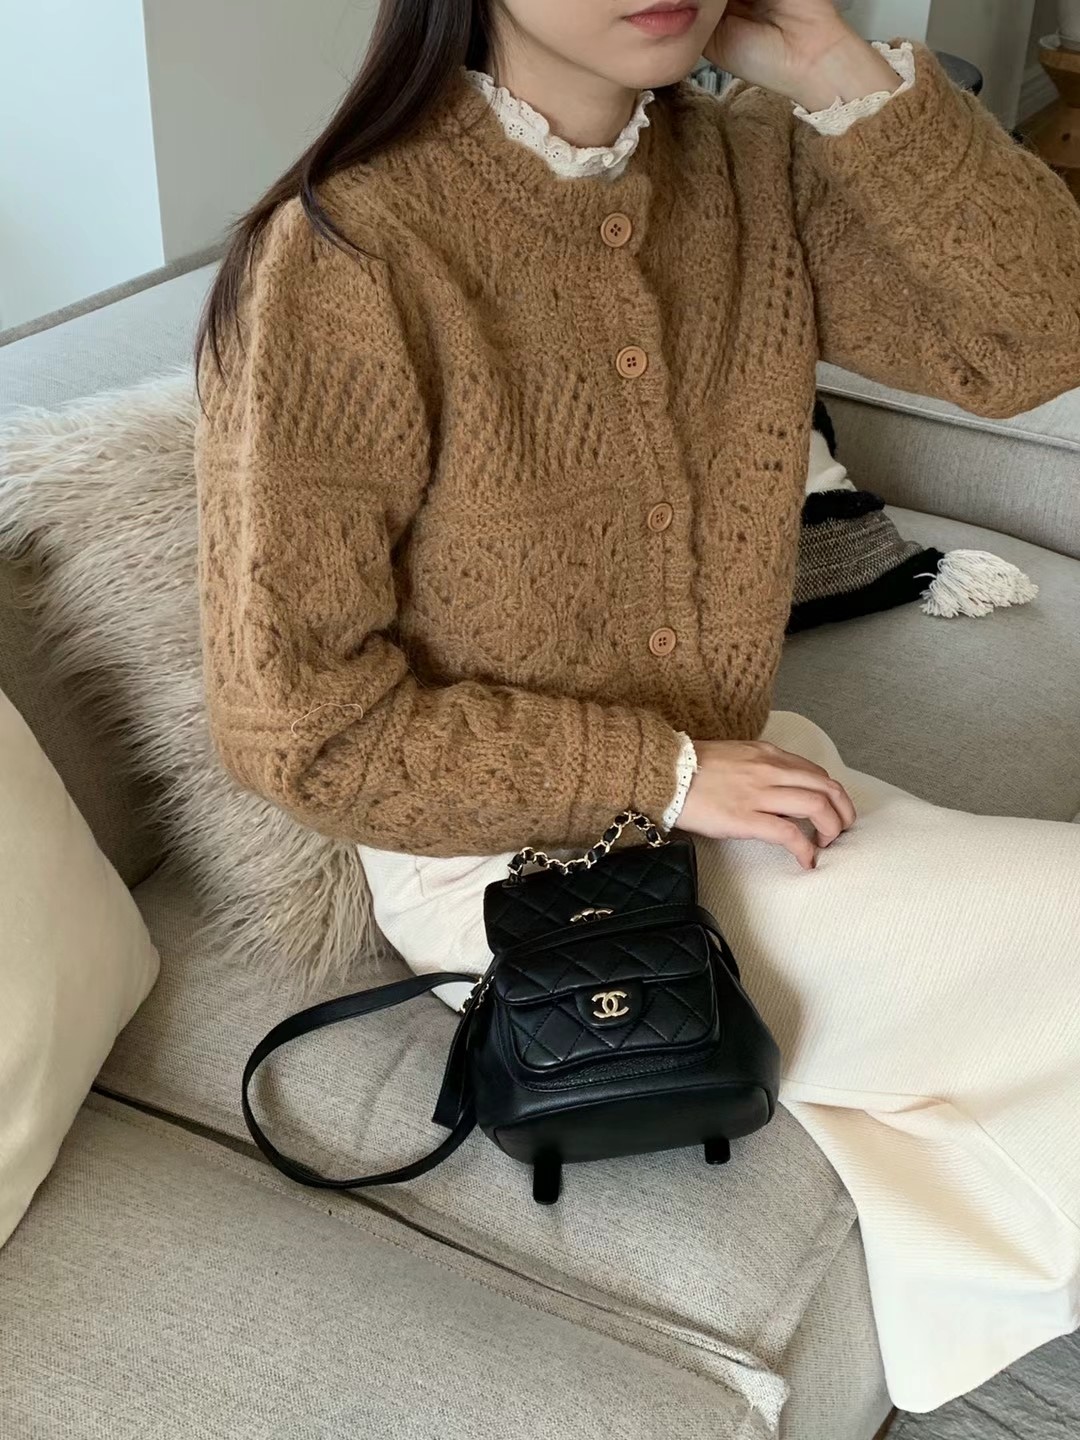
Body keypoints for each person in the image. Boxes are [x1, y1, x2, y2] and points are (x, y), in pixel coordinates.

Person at [194, 0, 1080, 1415]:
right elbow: (302, 726)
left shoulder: (749, 168)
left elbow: (1037, 338)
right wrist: (658, 771)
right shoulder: (347, 252)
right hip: (505, 866)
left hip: (733, 788)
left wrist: (836, 67)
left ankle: (959, 1281)